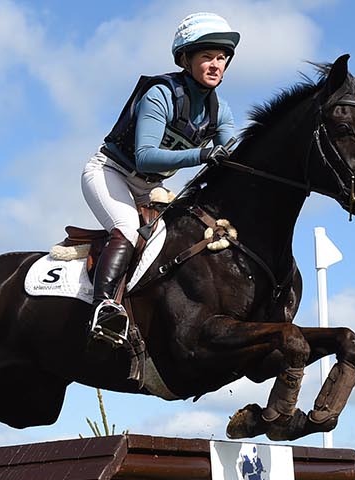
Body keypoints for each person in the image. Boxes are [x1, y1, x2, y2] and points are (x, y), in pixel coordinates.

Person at [80, 12, 240, 345]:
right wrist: (201, 154)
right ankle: (104, 307)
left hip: (152, 187)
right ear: (185, 59)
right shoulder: (161, 93)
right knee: (125, 227)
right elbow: (146, 155)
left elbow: (235, 155)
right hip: (112, 173)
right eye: (207, 56)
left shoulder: (220, 110)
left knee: (181, 239)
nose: (216, 64)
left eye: (222, 58)